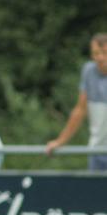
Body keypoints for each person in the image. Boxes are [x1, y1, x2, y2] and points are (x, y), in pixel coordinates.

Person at [46, 33, 107, 170]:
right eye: (96, 53)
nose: (100, 58)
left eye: (104, 52)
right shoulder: (89, 71)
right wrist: (60, 141)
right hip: (96, 151)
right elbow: (80, 110)